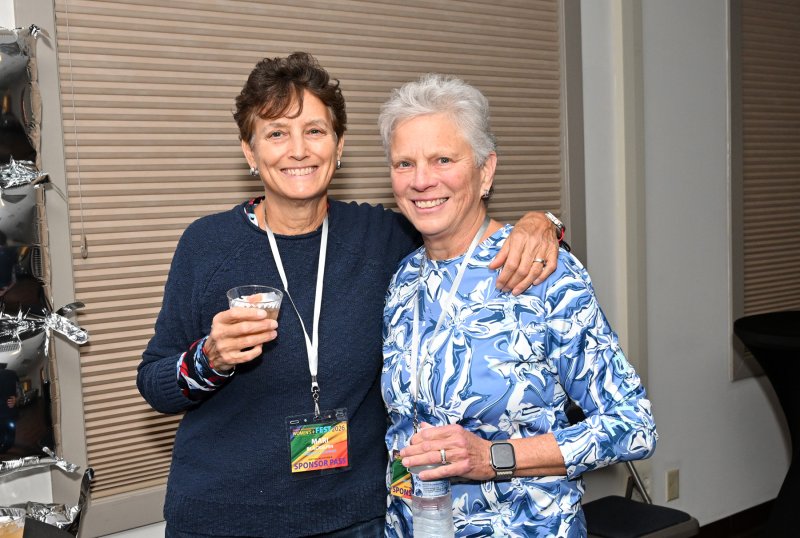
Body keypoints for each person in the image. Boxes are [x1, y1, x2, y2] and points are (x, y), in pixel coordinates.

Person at [137, 52, 562, 537]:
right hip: (223, 520)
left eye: (315, 131)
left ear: (339, 147)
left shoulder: (384, 236)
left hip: (351, 519)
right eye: (276, 133)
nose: (298, 149)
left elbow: (463, 222)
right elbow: (155, 383)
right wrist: (208, 359)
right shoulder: (207, 244)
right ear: (250, 153)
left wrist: (543, 223)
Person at [379, 74, 657, 537]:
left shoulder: (540, 271)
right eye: (404, 163)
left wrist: (493, 459)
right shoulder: (404, 279)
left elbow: (633, 425)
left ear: (485, 171)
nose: (421, 180)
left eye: (443, 159)